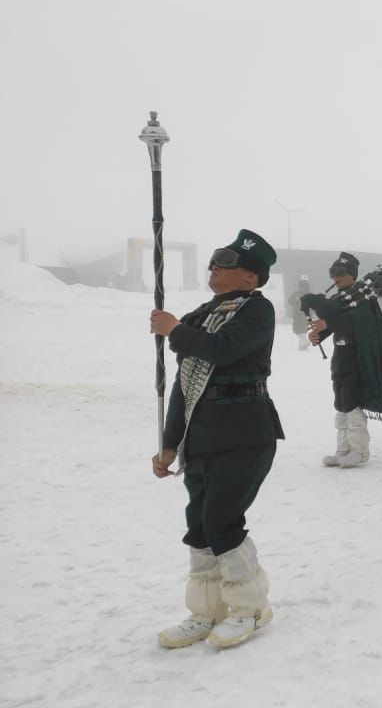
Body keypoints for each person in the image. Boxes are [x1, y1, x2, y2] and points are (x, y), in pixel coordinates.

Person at [150, 229, 283, 649]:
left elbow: (222, 350)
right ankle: (205, 613)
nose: (215, 269)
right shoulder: (202, 316)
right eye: (214, 262)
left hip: (246, 433)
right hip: (201, 435)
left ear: (250, 277)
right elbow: (184, 386)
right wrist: (170, 443)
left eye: (227, 264)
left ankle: (250, 608)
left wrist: (174, 331)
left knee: (222, 520)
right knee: (199, 526)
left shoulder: (257, 312)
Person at [304, 252, 382, 467]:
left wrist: (327, 322)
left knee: (353, 403)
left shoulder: (364, 299)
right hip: (340, 357)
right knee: (341, 403)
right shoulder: (338, 300)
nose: (335, 278)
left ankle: (359, 451)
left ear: (352, 276)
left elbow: (358, 324)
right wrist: (316, 335)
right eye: (332, 273)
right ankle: (343, 449)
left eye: (340, 273)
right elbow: (332, 323)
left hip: (359, 357)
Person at [288, 277, 313, 350]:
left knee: (303, 329)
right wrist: (295, 299)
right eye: (301, 286)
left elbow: (313, 305)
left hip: (305, 315)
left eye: (303, 286)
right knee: (296, 329)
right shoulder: (296, 294)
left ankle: (302, 345)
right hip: (296, 315)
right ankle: (304, 342)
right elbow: (290, 302)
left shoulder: (309, 294)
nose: (302, 288)